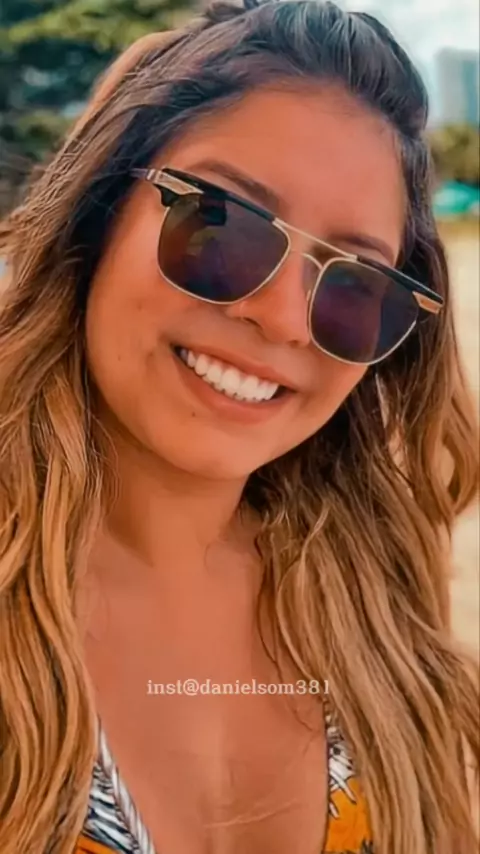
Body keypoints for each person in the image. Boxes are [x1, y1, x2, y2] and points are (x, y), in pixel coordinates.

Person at [0, 1, 478, 852]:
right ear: (99, 213)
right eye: (218, 225)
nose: (285, 320)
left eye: (355, 284)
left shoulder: (373, 610)